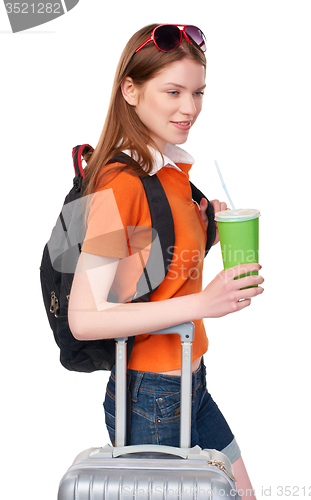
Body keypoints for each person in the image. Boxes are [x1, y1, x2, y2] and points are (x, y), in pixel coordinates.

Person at [68, 24, 264, 498]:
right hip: (152, 394)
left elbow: (143, 270)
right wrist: (204, 303)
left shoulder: (170, 171)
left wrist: (205, 233)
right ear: (130, 90)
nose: (190, 108)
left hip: (191, 381)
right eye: (173, 91)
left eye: (198, 92)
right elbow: (87, 317)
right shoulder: (123, 184)